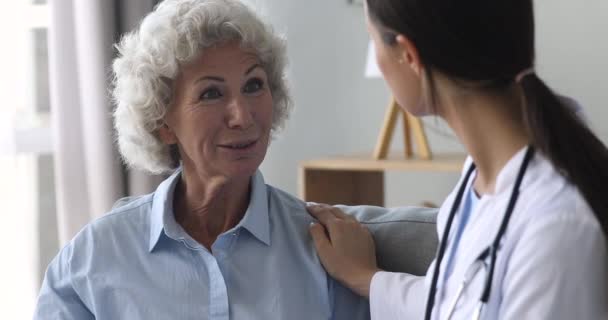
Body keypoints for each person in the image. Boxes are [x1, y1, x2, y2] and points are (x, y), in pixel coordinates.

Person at [34, 0, 370, 319]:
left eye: (254, 85)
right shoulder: (93, 257)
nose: (242, 116)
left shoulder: (325, 249)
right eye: (211, 93)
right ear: (162, 123)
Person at [307, 0, 608, 319]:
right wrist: (368, 279)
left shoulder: (556, 227)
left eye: (373, 39)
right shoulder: (481, 178)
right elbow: (456, 304)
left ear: (408, 55)